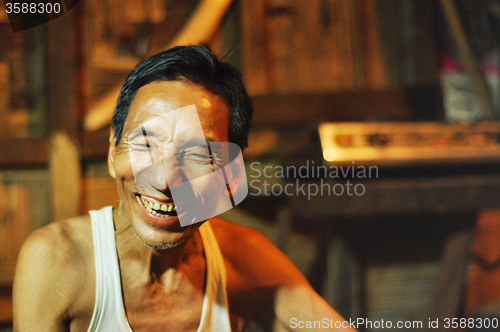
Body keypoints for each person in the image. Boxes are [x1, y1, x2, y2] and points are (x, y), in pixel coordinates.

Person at [13, 45, 357, 332]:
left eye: (198, 155)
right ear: (112, 152)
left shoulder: (243, 259)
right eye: (146, 144)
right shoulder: (58, 260)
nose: (164, 181)